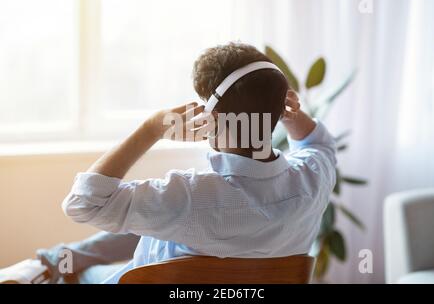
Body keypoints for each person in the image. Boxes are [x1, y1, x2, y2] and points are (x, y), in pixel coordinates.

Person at [1, 42, 337, 284]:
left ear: (212, 117)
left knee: (82, 269)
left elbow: (82, 203)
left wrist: (152, 128)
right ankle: (48, 259)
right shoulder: (312, 178)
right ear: (282, 110)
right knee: (146, 226)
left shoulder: (188, 196)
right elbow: (318, 142)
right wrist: (286, 113)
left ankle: (48, 264)